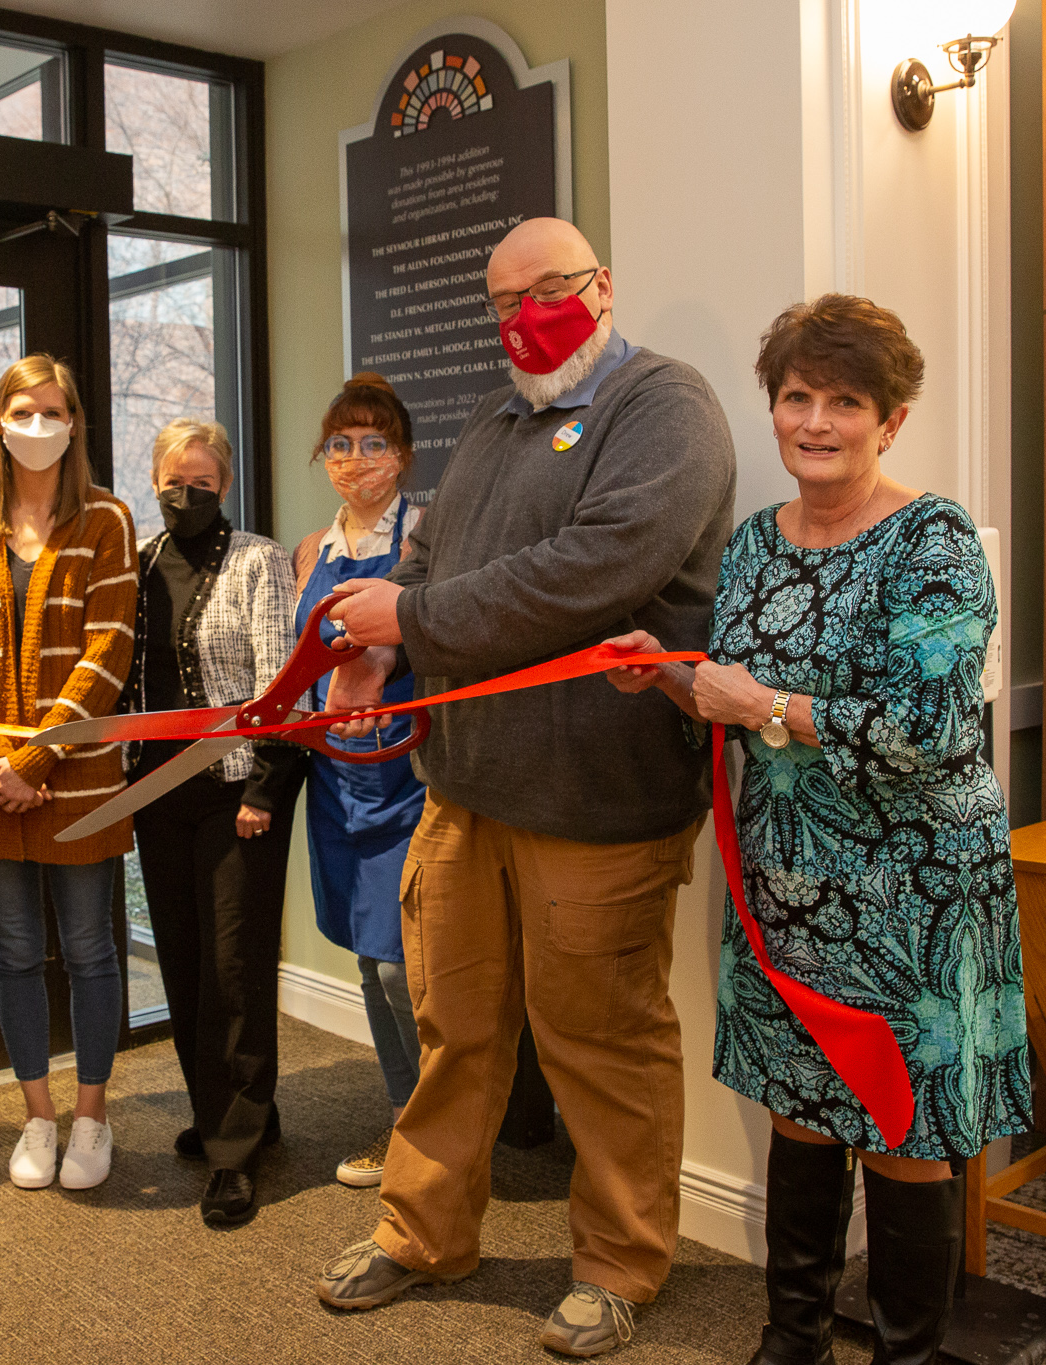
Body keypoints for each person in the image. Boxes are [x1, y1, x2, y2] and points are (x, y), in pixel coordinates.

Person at [312, 217, 737, 1356]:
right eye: (500, 301)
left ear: (600, 286)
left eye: (543, 290)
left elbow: (590, 573)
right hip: (465, 788)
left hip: (595, 801)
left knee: (599, 1040)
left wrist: (413, 618)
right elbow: (427, 555)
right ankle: (421, 1231)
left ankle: (617, 1264)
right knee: (453, 1025)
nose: (520, 316)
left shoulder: (665, 408)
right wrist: (380, 641)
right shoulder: (498, 420)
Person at [603, 294, 1030, 1365]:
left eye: (846, 401)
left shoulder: (929, 540)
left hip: (911, 890)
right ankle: (789, 1341)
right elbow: (734, 697)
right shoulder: (751, 545)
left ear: (888, 421)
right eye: (797, 397)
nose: (816, 421)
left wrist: (766, 709)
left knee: (899, 1134)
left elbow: (931, 728)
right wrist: (663, 674)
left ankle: (904, 1353)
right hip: (786, 882)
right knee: (800, 1116)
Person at [0, 354, 136, 1192]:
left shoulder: (107, 520)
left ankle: (92, 1116)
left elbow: (109, 653)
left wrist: (40, 755)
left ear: (76, 422)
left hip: (78, 778)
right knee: (14, 951)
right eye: (24, 410)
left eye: (54, 410)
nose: (39, 425)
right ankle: (39, 1118)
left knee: (90, 949)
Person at [127, 418, 303, 1227]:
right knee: (187, 960)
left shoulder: (260, 561)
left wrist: (266, 787)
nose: (184, 494)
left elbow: (281, 687)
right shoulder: (139, 564)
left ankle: (237, 1153)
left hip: (240, 790)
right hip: (159, 794)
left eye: (201, 482)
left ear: (223, 486)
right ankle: (219, 1113)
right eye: (172, 480)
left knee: (235, 963)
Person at [291, 374, 427, 1189]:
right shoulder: (312, 551)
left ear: (403, 455)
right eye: (341, 444)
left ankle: (433, 1128)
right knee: (361, 957)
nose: (355, 459)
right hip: (334, 782)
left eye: (374, 442)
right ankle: (403, 1116)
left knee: (400, 966)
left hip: (405, 778)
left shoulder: (428, 539)